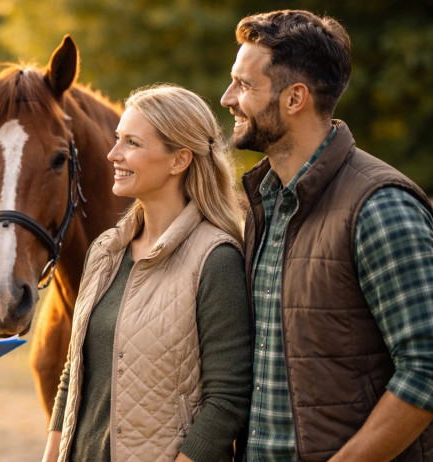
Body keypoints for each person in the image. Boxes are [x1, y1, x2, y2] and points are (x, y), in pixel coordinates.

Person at [220, 9, 433, 461]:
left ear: (294, 98)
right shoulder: (264, 203)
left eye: (244, 85)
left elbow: (426, 371)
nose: (227, 98)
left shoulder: (381, 207)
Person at [42, 83, 253, 462]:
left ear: (179, 160)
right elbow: (73, 374)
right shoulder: (104, 252)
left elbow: (227, 400)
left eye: (132, 143)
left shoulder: (216, 259)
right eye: (117, 138)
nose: (113, 154)